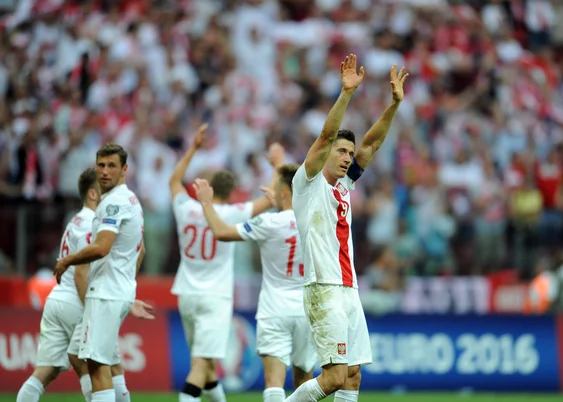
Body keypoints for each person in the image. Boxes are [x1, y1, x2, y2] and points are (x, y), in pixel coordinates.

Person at [285, 54, 408, 401]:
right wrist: (347, 94)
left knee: (353, 376)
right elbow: (324, 136)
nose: (345, 157)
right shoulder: (307, 183)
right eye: (341, 151)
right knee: (335, 377)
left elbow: (371, 144)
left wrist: (394, 105)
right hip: (324, 287)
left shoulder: (343, 187)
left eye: (347, 153)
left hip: (348, 288)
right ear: (325, 154)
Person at [20, 168, 153, 402]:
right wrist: (93, 310)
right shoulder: (93, 223)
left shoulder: (75, 219)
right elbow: (82, 274)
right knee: (108, 365)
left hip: (57, 300)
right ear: (93, 194)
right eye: (104, 187)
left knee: (46, 372)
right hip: (77, 298)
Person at [194, 154, 316, 402]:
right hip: (308, 309)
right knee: (305, 379)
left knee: (273, 383)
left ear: (283, 192)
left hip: (275, 308)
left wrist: (206, 203)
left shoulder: (268, 222)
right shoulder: (315, 221)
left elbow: (221, 231)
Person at [169, 124, 275, 402]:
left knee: (206, 368)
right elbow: (268, 201)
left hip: (186, 294)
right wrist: (277, 166)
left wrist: (193, 148)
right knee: (201, 365)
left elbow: (174, 182)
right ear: (231, 193)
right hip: (214, 296)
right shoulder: (231, 213)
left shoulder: (187, 208)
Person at [54, 144, 145, 402]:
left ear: (124, 169)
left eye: (112, 166)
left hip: (106, 292)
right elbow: (142, 249)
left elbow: (102, 247)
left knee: (96, 364)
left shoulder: (114, 203)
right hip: (117, 289)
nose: (105, 171)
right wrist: (127, 285)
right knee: (80, 354)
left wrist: (67, 260)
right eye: (101, 165)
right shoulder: (130, 199)